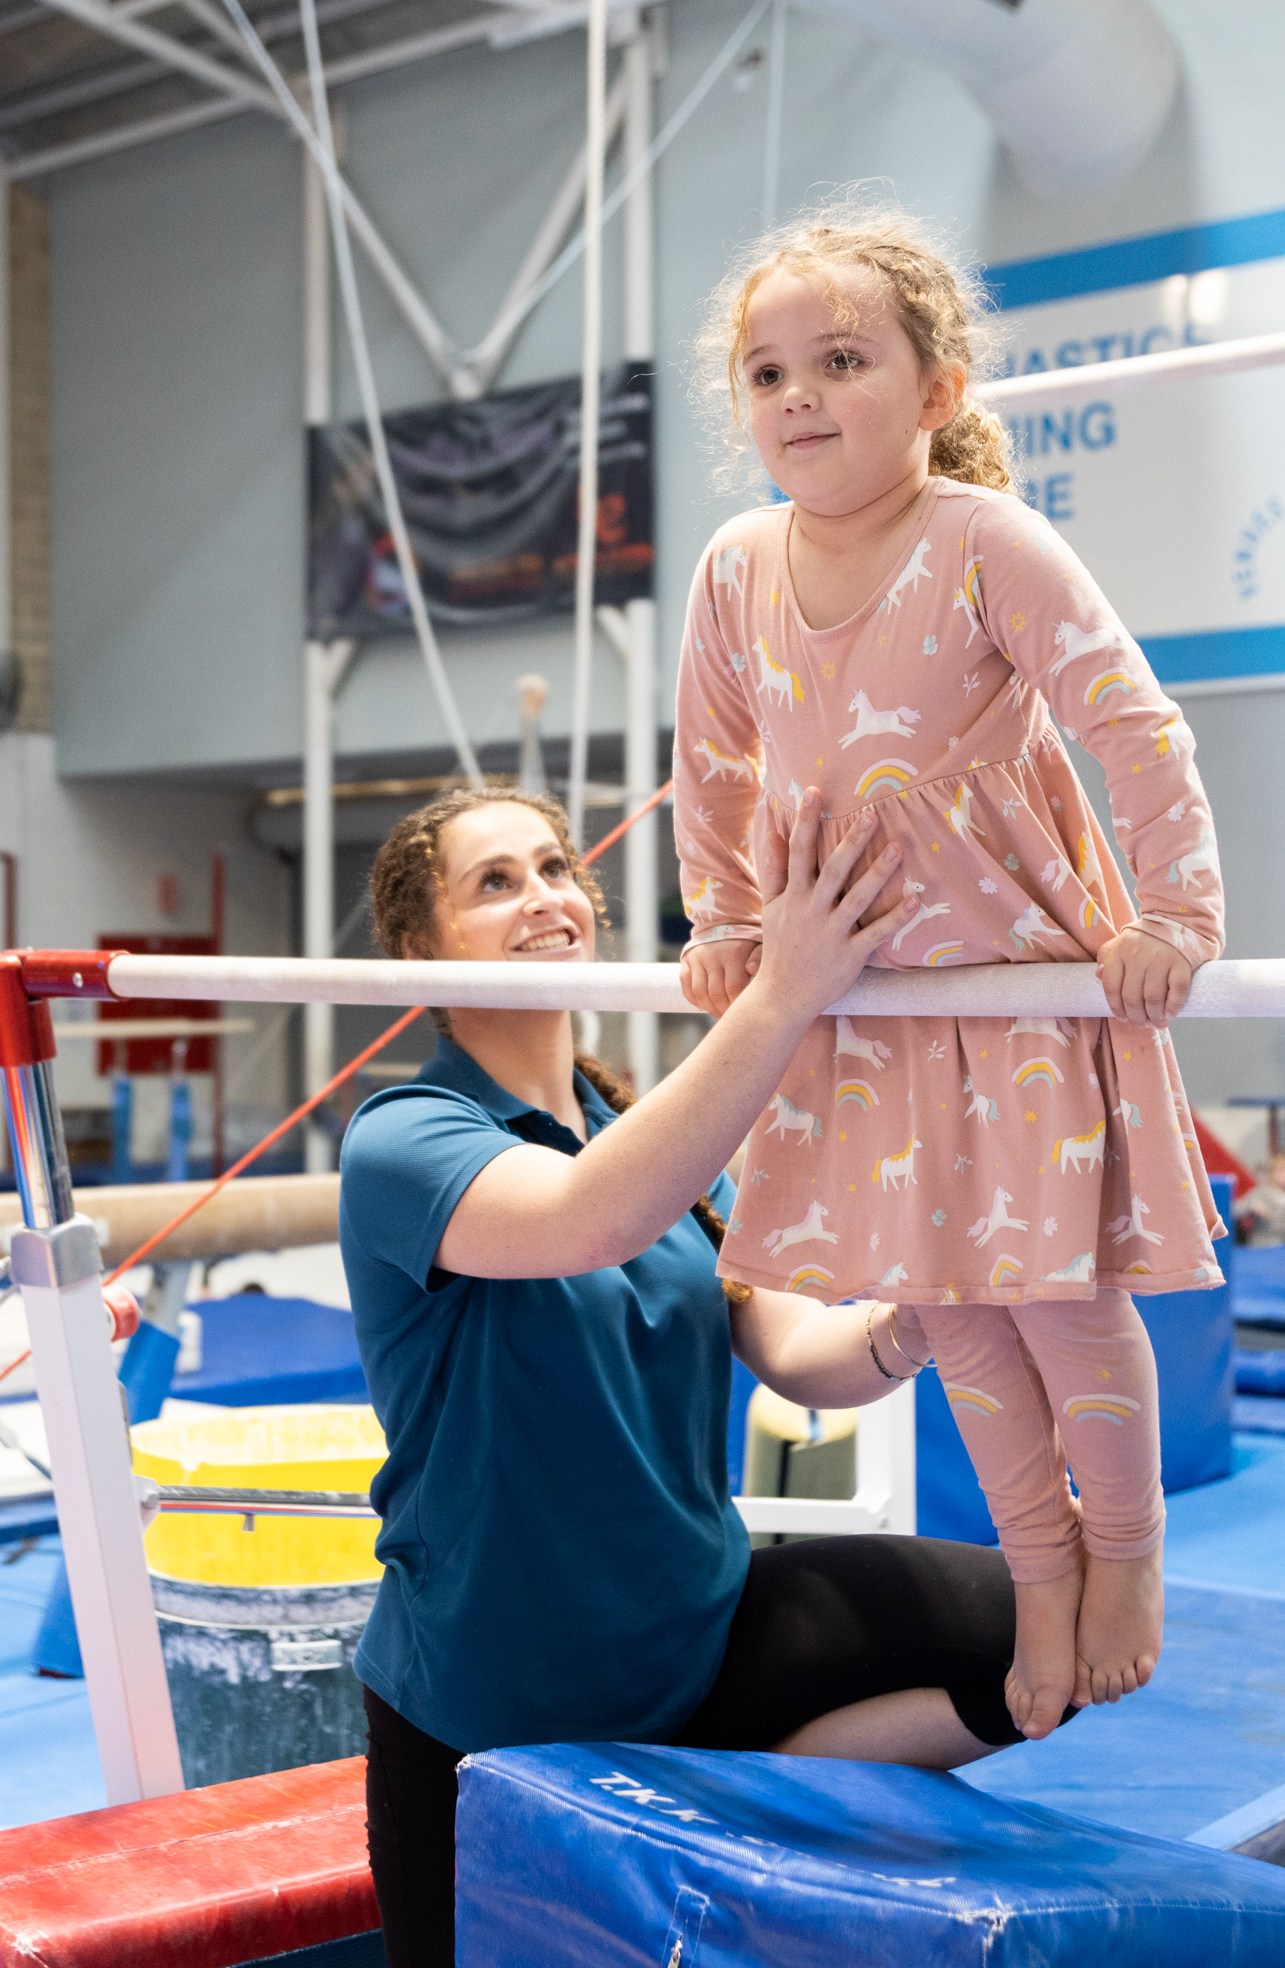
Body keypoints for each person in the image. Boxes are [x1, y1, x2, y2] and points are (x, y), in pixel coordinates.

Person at [671, 205, 1226, 1731]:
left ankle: (1126, 1552)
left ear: (936, 390)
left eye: (840, 361)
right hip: (866, 1019)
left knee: (1060, 1302)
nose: (797, 396)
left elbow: (1137, 728)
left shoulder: (985, 543)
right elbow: (710, 767)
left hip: (1019, 996)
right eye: (768, 370)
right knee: (960, 1317)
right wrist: (723, 920)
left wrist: (1172, 916)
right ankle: (1037, 1573)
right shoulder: (735, 570)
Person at [342, 788, 1040, 1968]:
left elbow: (801, 1354)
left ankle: (716, 1797)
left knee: (1045, 1628)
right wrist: (784, 990)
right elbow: (588, 1216)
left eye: (555, 867)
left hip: (696, 1645)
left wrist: (921, 1310)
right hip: (491, 1713)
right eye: (494, 882)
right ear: (421, 948)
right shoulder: (406, 1137)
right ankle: (690, 1807)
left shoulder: (636, 1126)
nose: (544, 897)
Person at [1236, 1151, 1285, 1244]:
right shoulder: (1260, 1195)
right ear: (1272, 1173)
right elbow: (1234, 1211)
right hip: (1261, 1247)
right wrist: (1251, 1206)